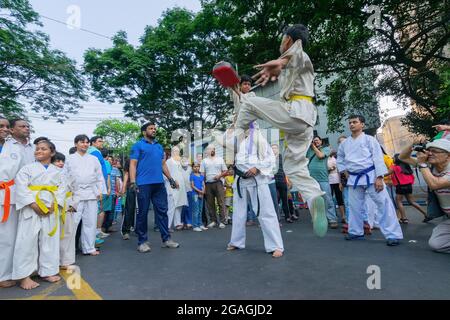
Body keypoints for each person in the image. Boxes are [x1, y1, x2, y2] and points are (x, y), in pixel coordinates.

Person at [227, 24, 327, 237]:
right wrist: (234, 88)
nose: (280, 43)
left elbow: (293, 57)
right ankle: (314, 197)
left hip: (296, 112)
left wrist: (279, 62)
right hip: (303, 124)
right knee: (294, 166)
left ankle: (235, 137)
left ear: (289, 40)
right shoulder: (297, 62)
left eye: (282, 39)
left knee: (250, 105)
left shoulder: (299, 52)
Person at [336, 115, 403, 246]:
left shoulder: (370, 140)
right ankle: (355, 231)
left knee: (383, 205)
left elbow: (378, 158)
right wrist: (345, 172)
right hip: (354, 178)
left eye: (355, 122)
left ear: (362, 125)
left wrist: (379, 177)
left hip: (371, 176)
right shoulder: (345, 143)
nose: (352, 125)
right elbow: (340, 159)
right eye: (350, 123)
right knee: (354, 207)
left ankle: (393, 235)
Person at [12, 139, 68, 290]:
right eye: (37, 149)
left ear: (52, 152)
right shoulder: (27, 169)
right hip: (31, 208)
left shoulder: (58, 171)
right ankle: (24, 276)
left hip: (50, 208)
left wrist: (54, 205)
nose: (39, 151)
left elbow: (62, 189)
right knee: (26, 242)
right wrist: (33, 204)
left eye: (43, 149)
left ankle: (47, 271)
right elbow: (21, 187)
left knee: (49, 241)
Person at [227, 123, 284, 258]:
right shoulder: (239, 141)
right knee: (239, 214)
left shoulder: (260, 139)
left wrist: (257, 168)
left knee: (266, 212)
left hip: (257, 180)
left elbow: (270, 159)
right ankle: (236, 241)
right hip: (240, 181)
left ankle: (276, 245)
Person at [129, 122, 180, 253]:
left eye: (154, 129)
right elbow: (133, 164)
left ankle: (166, 239)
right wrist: (133, 181)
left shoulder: (159, 147)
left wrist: (170, 179)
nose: (153, 130)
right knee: (143, 213)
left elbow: (163, 164)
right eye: (150, 128)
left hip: (159, 184)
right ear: (144, 132)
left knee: (162, 212)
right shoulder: (138, 145)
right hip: (143, 184)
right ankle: (142, 242)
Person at [399, 138, 450, 253]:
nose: (429, 153)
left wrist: (422, 163)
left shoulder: (426, 166)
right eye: (429, 150)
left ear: (448, 155)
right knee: (436, 243)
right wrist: (412, 144)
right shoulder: (431, 166)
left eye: (435, 151)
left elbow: (435, 184)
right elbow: (402, 157)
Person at [0, 118, 35, 288]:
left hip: (28, 197)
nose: (26, 128)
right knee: (7, 238)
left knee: (25, 237)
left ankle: (23, 271)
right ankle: (4, 275)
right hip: (8, 196)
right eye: (22, 126)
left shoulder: (32, 148)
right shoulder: (7, 145)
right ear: (13, 131)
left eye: (28, 126)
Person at [64, 135, 106, 256]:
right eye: (82, 142)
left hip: (91, 193)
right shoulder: (69, 158)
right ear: (76, 144)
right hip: (74, 194)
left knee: (90, 222)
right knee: (72, 223)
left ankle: (89, 247)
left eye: (87, 142)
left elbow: (99, 176)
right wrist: (67, 193)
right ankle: (67, 250)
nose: (85, 144)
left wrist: (100, 191)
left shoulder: (94, 159)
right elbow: (64, 176)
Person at [307, 136, 338, 228]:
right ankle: (318, 218)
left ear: (321, 141)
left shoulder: (326, 149)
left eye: (317, 140)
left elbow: (320, 156)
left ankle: (332, 218)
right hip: (312, 179)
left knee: (327, 198)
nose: (315, 142)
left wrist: (313, 147)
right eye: (314, 141)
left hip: (323, 178)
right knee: (315, 200)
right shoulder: (309, 151)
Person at [391, 154, 427, 223]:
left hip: (400, 187)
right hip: (409, 186)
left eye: (394, 158)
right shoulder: (407, 167)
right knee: (412, 202)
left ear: (396, 159)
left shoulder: (394, 167)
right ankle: (425, 214)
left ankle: (404, 218)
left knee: (398, 201)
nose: (393, 159)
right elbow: (412, 177)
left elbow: (387, 173)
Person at [200, 145, 228, 229]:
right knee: (210, 203)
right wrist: (203, 185)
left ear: (214, 150)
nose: (210, 150)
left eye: (211, 149)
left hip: (218, 182)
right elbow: (202, 174)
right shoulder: (204, 161)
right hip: (208, 183)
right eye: (208, 149)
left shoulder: (220, 159)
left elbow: (225, 171)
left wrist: (219, 176)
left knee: (221, 202)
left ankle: (222, 221)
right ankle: (213, 221)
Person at [166, 146, 188, 231]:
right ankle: (167, 226)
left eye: (178, 151)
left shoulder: (180, 161)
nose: (176, 153)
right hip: (172, 186)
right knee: (171, 206)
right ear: (172, 152)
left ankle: (177, 223)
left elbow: (186, 167)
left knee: (179, 205)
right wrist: (173, 181)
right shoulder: (169, 161)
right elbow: (165, 174)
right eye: (175, 151)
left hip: (181, 186)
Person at [328, 151, 345, 223]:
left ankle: (343, 216)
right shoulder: (325, 160)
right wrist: (330, 169)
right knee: (330, 199)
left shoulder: (336, 159)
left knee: (339, 198)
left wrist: (340, 182)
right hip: (328, 181)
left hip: (337, 181)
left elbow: (339, 171)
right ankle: (333, 216)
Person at [121, 158, 136, 240]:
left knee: (141, 210)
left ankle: (138, 229)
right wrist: (123, 187)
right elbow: (126, 174)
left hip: (143, 186)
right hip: (131, 186)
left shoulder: (145, 157)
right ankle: (125, 231)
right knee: (129, 208)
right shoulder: (129, 159)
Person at [190, 163, 207, 232]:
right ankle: (195, 226)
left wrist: (203, 191)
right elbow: (192, 185)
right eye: (195, 166)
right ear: (192, 168)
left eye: (197, 166)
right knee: (196, 210)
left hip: (201, 194)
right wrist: (200, 191)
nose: (196, 168)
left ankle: (200, 224)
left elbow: (203, 184)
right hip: (195, 194)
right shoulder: (192, 176)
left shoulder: (201, 176)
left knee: (200, 210)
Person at [180, 157, 193, 229]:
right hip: (181, 190)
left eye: (185, 160)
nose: (184, 161)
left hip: (190, 189)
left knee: (189, 207)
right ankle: (182, 221)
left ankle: (189, 222)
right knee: (183, 207)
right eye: (183, 160)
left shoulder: (190, 168)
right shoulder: (179, 168)